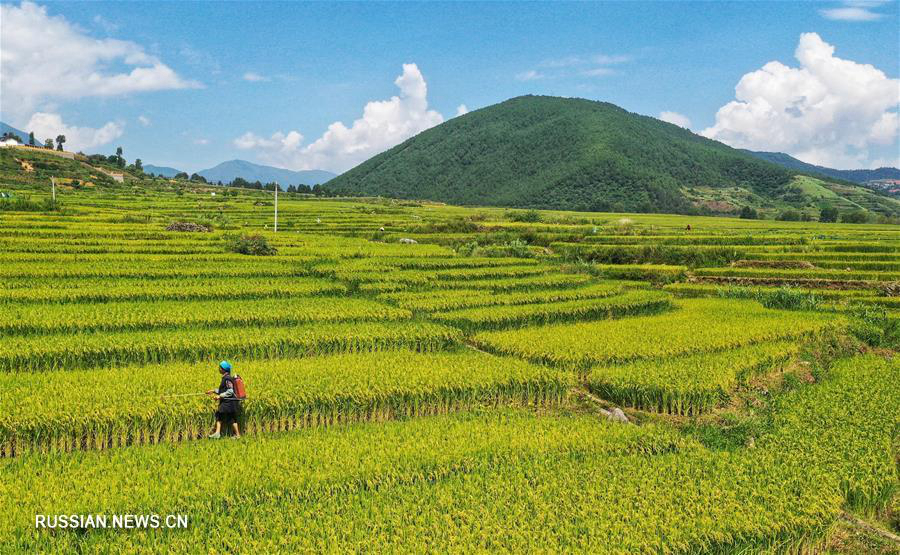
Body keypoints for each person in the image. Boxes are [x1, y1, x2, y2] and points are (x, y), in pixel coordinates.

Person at [207, 360, 241, 439]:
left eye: (220, 367)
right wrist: (213, 391)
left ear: (223, 369)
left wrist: (220, 396)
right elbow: (223, 390)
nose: (219, 369)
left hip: (228, 402)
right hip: (230, 402)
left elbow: (230, 391)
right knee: (231, 418)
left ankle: (218, 433)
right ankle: (236, 435)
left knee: (220, 414)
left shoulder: (227, 379)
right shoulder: (226, 378)